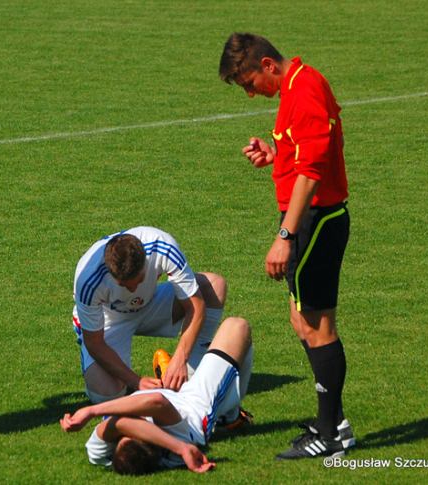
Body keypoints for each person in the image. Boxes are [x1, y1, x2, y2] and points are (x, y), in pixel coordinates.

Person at [218, 33, 354, 459]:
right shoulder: (296, 86)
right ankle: (332, 421)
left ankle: (332, 435)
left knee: (317, 325)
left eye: (248, 82)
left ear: (268, 65)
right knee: (301, 320)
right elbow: (307, 151)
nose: (248, 91)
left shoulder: (306, 88)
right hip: (308, 220)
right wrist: (277, 153)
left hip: (315, 221)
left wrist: (285, 236)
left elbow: (313, 172)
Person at [60, 317, 253, 475]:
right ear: (155, 440)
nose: (130, 425)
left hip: (153, 396)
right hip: (195, 400)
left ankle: (170, 380)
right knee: (237, 326)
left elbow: (121, 424)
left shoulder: (102, 455)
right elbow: (153, 404)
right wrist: (91, 411)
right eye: (138, 430)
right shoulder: (177, 446)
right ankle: (229, 414)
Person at [72, 226, 228, 404]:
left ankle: (193, 374)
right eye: (124, 285)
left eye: (138, 281)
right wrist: (136, 381)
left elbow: (196, 306)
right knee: (105, 394)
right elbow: (95, 342)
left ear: (146, 262)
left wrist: (179, 359)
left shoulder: (163, 246)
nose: (132, 289)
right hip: (108, 319)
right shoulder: (87, 278)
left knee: (214, 286)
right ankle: (135, 386)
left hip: (151, 304)